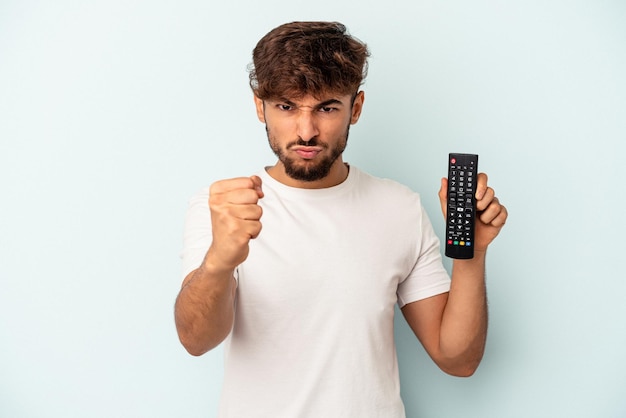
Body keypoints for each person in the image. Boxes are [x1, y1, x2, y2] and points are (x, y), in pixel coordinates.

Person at [175, 21, 508, 418]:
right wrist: (219, 260)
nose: (306, 131)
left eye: (327, 108)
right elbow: (196, 340)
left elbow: (457, 359)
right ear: (259, 106)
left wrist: (472, 253)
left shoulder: (398, 207)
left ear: (357, 107)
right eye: (286, 106)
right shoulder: (224, 208)